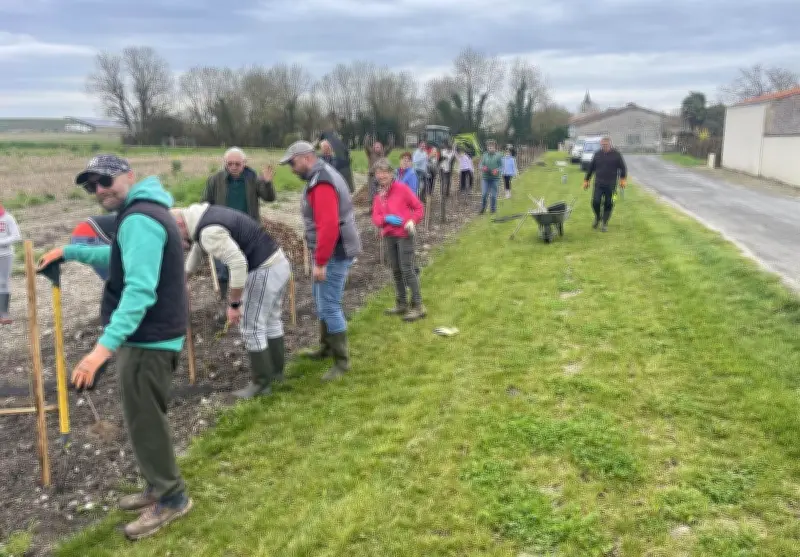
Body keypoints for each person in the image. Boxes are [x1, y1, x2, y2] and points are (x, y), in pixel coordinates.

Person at [37, 154, 191, 540]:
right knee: (143, 420)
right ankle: (158, 486)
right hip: (152, 337)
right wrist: (71, 252)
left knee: (146, 423)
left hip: (148, 340)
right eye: (92, 186)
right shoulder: (143, 212)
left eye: (105, 180)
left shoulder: (139, 218)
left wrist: (101, 350)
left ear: (128, 176)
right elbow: (120, 256)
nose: (99, 190)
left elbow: (139, 289)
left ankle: (172, 500)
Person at [172, 202, 291, 399]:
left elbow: (237, 263)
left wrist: (235, 304)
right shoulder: (201, 216)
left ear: (179, 224)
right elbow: (198, 247)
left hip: (263, 270)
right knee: (271, 320)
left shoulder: (208, 231)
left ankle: (261, 384)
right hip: (278, 263)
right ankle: (276, 374)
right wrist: (184, 276)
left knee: (251, 327)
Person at [279, 141, 362, 381]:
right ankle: (326, 347)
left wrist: (321, 262)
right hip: (330, 251)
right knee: (321, 300)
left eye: (292, 163)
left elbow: (328, 226)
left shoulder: (322, 182)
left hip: (333, 252)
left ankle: (341, 362)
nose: (292, 169)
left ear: (306, 158)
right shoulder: (321, 176)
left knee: (329, 305)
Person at [202, 147, 276, 307]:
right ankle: (222, 299)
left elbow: (269, 198)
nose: (234, 167)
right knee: (222, 266)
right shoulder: (215, 180)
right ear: (225, 163)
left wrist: (268, 183)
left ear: (244, 163)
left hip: (247, 230)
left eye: (237, 164)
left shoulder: (253, 179)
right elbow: (205, 203)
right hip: (223, 229)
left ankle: (247, 298)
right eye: (230, 164)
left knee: (247, 265)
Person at [371, 159, 426, 321]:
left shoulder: (402, 189)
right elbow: (376, 216)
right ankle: (402, 303)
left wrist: (412, 221)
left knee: (407, 269)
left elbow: (419, 208)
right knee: (396, 270)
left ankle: (418, 306)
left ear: (391, 173)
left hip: (404, 233)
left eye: (384, 172)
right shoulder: (379, 195)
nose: (381, 176)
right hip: (389, 235)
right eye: (378, 173)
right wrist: (385, 219)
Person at [583, 136, 627, 232]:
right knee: (595, 202)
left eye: (606, 145)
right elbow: (591, 168)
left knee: (610, 203)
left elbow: (623, 168)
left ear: (610, 144)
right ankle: (598, 217)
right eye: (603, 145)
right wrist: (586, 180)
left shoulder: (617, 154)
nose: (604, 146)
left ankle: (604, 223)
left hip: (612, 185)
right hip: (598, 184)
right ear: (601, 144)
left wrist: (623, 180)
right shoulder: (597, 154)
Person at [69, 213, 116, 281]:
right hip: (89, 236)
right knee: (117, 278)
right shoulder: (133, 219)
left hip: (80, 235)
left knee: (115, 279)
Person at [0, 203, 21, 325]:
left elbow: (16, 236)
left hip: (5, 255)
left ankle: (3, 314)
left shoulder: (8, 218)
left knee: (3, 282)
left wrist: (1, 242)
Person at [364, 134, 395, 201]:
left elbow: (390, 147)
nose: (377, 147)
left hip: (381, 176)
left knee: (382, 192)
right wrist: (367, 138)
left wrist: (391, 138)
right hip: (372, 176)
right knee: (372, 193)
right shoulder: (370, 153)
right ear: (373, 147)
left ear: (381, 147)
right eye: (376, 146)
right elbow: (366, 146)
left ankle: (382, 206)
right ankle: (372, 208)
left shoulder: (384, 153)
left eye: (379, 146)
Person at [479, 140, 503, 214]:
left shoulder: (498, 155)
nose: (490, 148)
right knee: (484, 194)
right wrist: (483, 168)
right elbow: (480, 165)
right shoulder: (484, 155)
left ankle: (492, 209)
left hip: (495, 179)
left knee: (493, 195)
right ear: (487, 148)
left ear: (495, 148)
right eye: (489, 147)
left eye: (492, 147)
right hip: (485, 178)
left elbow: (501, 166)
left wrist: (497, 170)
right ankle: (483, 208)